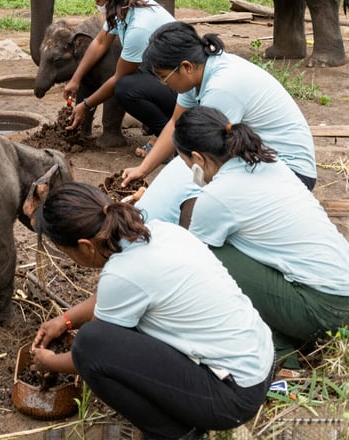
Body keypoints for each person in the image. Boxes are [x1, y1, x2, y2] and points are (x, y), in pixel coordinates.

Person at [29, 181, 273, 440]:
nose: (69, 258)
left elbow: (95, 354)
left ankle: (175, 433)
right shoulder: (160, 231)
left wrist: (49, 362)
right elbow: (115, 298)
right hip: (259, 364)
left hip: (233, 398)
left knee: (88, 344)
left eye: (67, 252)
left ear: (86, 245)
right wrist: (65, 320)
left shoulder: (121, 275)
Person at [172, 106, 349, 371]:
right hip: (340, 292)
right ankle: (294, 332)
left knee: (208, 260)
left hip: (328, 311)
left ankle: (280, 352)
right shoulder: (268, 163)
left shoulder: (218, 195)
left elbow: (194, 265)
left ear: (198, 157)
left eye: (188, 164)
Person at [122, 22, 317, 191]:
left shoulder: (222, 88)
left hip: (292, 174)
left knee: (198, 188)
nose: (164, 83)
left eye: (164, 77)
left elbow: (202, 155)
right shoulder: (200, 71)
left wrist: (156, 195)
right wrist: (143, 169)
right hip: (259, 161)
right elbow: (174, 124)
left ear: (186, 67)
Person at [65, 0, 176, 156]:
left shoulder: (138, 27)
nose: (97, 6)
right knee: (128, 82)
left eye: (99, 1)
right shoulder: (124, 10)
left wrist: (85, 105)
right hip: (161, 78)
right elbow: (100, 42)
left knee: (125, 88)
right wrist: (76, 79)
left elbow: (117, 78)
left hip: (180, 88)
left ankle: (169, 136)